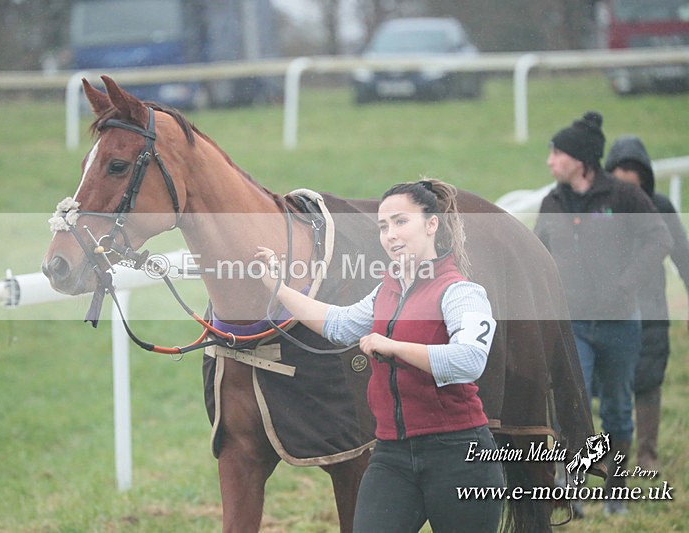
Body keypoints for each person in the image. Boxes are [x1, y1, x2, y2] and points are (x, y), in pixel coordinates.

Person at [255, 179, 504, 532]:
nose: (390, 235)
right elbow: (338, 324)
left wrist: (392, 347)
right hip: (392, 455)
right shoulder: (384, 292)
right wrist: (277, 288)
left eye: (401, 222)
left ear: (432, 224)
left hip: (459, 455)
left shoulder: (462, 293)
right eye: (384, 226)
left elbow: (469, 361)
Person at [534, 112, 672, 515]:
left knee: (616, 408)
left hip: (620, 325)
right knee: (571, 406)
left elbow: (658, 239)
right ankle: (571, 487)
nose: (550, 161)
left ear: (579, 158)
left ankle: (616, 490)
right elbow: (538, 253)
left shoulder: (623, 196)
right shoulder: (552, 201)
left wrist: (626, 284)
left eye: (556, 153)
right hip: (573, 323)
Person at [605, 134, 689, 471]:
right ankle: (613, 455)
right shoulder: (601, 211)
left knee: (649, 382)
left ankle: (648, 454)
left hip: (652, 309)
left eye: (633, 171)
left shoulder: (662, 208)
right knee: (614, 387)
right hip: (612, 311)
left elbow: (683, 256)